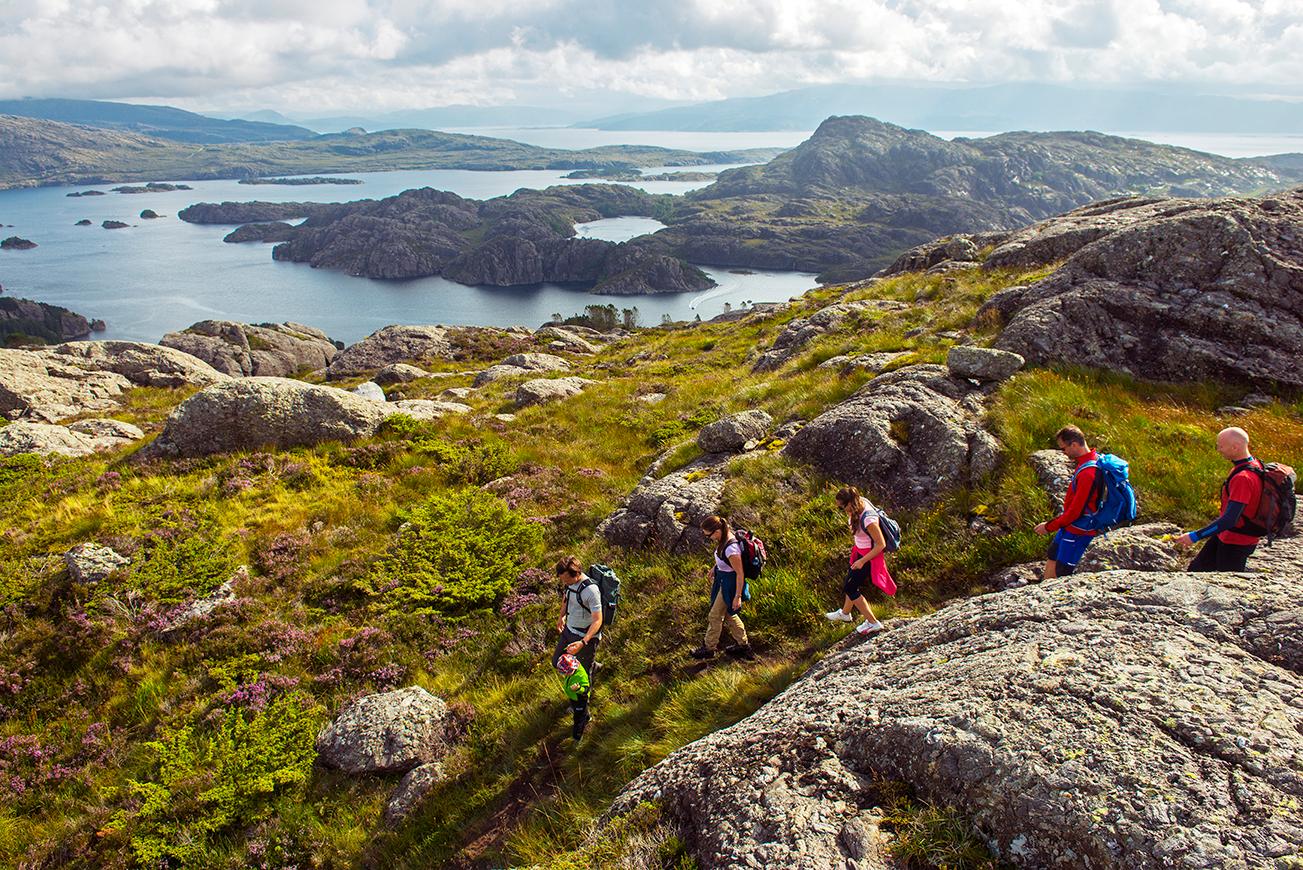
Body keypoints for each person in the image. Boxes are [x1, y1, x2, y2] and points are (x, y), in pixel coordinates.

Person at [1177, 427, 1264, 572]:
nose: (1218, 449)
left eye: (1221, 446)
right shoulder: (1253, 465)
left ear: (1235, 447)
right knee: (1196, 570)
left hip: (1236, 542)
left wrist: (1194, 536)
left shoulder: (1243, 478)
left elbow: (1230, 519)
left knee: (1230, 583)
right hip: (1225, 535)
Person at [1034, 425, 1100, 579]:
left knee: (1062, 571)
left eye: (1063, 449)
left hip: (1079, 531)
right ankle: (1043, 592)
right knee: (1053, 554)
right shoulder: (1089, 461)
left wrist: (1049, 527)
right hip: (1068, 527)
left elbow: (1075, 512)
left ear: (1075, 445)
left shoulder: (1088, 473)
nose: (1063, 453)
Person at [824, 486, 889, 635]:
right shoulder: (859, 504)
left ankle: (873, 622)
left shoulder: (868, 519)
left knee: (850, 588)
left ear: (849, 503)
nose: (841, 510)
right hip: (860, 553)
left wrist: (862, 561)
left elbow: (880, 545)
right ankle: (845, 614)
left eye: (842, 507)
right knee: (850, 581)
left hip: (868, 557)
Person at [689, 516, 754, 660]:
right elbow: (723, 558)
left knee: (715, 615)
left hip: (729, 584)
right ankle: (743, 646)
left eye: (708, 535)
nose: (708, 538)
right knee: (730, 614)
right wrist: (715, 567)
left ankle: (709, 648)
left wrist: (737, 596)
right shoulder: (724, 539)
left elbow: (739, 573)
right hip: (723, 579)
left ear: (717, 531)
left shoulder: (732, 548)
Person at [553, 556, 602, 739]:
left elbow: (598, 620)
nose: (563, 582)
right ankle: (594, 665)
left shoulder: (591, 590)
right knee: (556, 662)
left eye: (565, 578)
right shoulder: (569, 584)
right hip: (569, 631)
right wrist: (561, 617)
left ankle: (583, 711)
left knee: (581, 677)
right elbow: (567, 599)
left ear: (576, 574)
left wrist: (583, 642)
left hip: (584, 638)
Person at [554, 654, 591, 742]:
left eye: (569, 671)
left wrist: (578, 689)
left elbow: (586, 689)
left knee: (578, 719)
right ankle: (587, 717)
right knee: (582, 712)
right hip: (574, 697)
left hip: (580, 697)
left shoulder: (580, 675)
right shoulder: (573, 670)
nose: (567, 673)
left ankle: (577, 737)